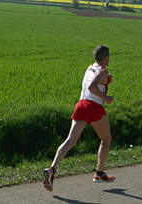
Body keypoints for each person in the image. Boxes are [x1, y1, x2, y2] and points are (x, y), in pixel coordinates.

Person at [43, 45, 115, 192]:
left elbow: (96, 82)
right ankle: (99, 173)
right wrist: (105, 98)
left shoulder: (90, 68)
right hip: (93, 107)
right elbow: (92, 86)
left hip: (80, 105)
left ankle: (52, 169)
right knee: (106, 139)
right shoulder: (103, 70)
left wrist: (106, 81)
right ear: (105, 57)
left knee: (70, 141)